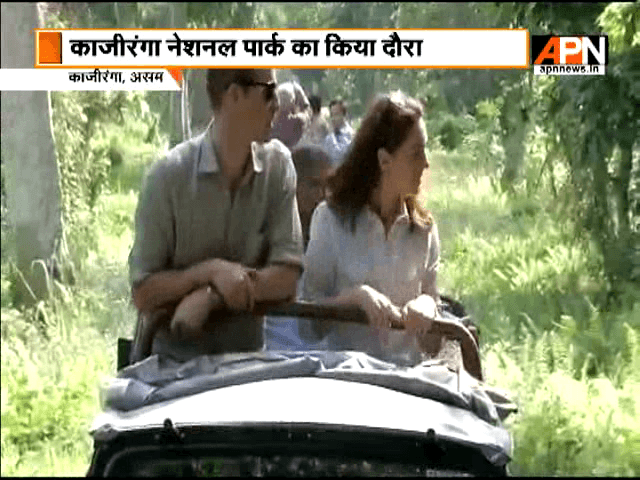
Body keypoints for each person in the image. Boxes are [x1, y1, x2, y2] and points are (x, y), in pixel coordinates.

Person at [300, 91, 482, 380]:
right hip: (344, 379)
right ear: (384, 160)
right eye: (416, 153)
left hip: (406, 384)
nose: (426, 164)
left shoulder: (424, 230)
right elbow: (308, 326)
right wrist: (356, 297)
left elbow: (433, 346)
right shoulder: (330, 220)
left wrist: (427, 307)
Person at [128, 68, 305, 363]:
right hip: (171, 367)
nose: (278, 104)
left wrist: (213, 296)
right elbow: (144, 292)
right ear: (234, 95)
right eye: (269, 93)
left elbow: (287, 277)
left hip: (246, 367)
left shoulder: (278, 167)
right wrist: (207, 271)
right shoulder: (168, 177)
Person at [263, 144, 334, 351]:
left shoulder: (333, 237)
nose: (323, 195)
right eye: (314, 185)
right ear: (292, 185)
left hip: (325, 357)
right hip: (274, 353)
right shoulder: (266, 237)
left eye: (329, 186)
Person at [269, 81, 312, 150]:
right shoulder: (297, 121)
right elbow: (307, 113)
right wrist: (296, 88)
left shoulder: (269, 125)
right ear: (292, 103)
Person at [322, 98, 354, 168]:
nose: (333, 118)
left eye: (336, 114)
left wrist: (331, 135)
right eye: (332, 114)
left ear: (344, 115)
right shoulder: (331, 133)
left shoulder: (348, 133)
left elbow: (338, 156)